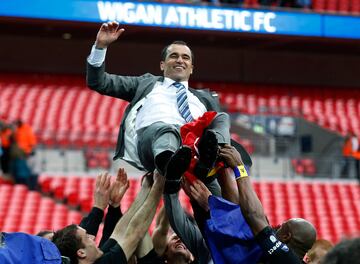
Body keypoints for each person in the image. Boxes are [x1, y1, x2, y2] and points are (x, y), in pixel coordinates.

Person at [86, 21, 234, 180]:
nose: (180, 60)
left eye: (185, 57)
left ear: (191, 68)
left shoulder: (204, 98)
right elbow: (99, 82)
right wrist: (100, 46)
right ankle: (169, 167)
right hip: (155, 144)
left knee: (221, 117)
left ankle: (212, 161)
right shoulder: (145, 84)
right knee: (164, 130)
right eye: (174, 56)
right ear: (162, 65)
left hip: (194, 151)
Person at [218, 144, 317, 263]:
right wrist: (221, 169)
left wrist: (240, 167)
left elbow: (252, 215)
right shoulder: (275, 253)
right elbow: (238, 212)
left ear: (287, 237)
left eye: (281, 227)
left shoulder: (287, 259)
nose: (276, 228)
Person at [53, 170, 164, 264]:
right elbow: (135, 231)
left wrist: (145, 187)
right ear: (81, 253)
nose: (92, 237)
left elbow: (119, 232)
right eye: (87, 237)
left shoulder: (97, 258)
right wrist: (159, 185)